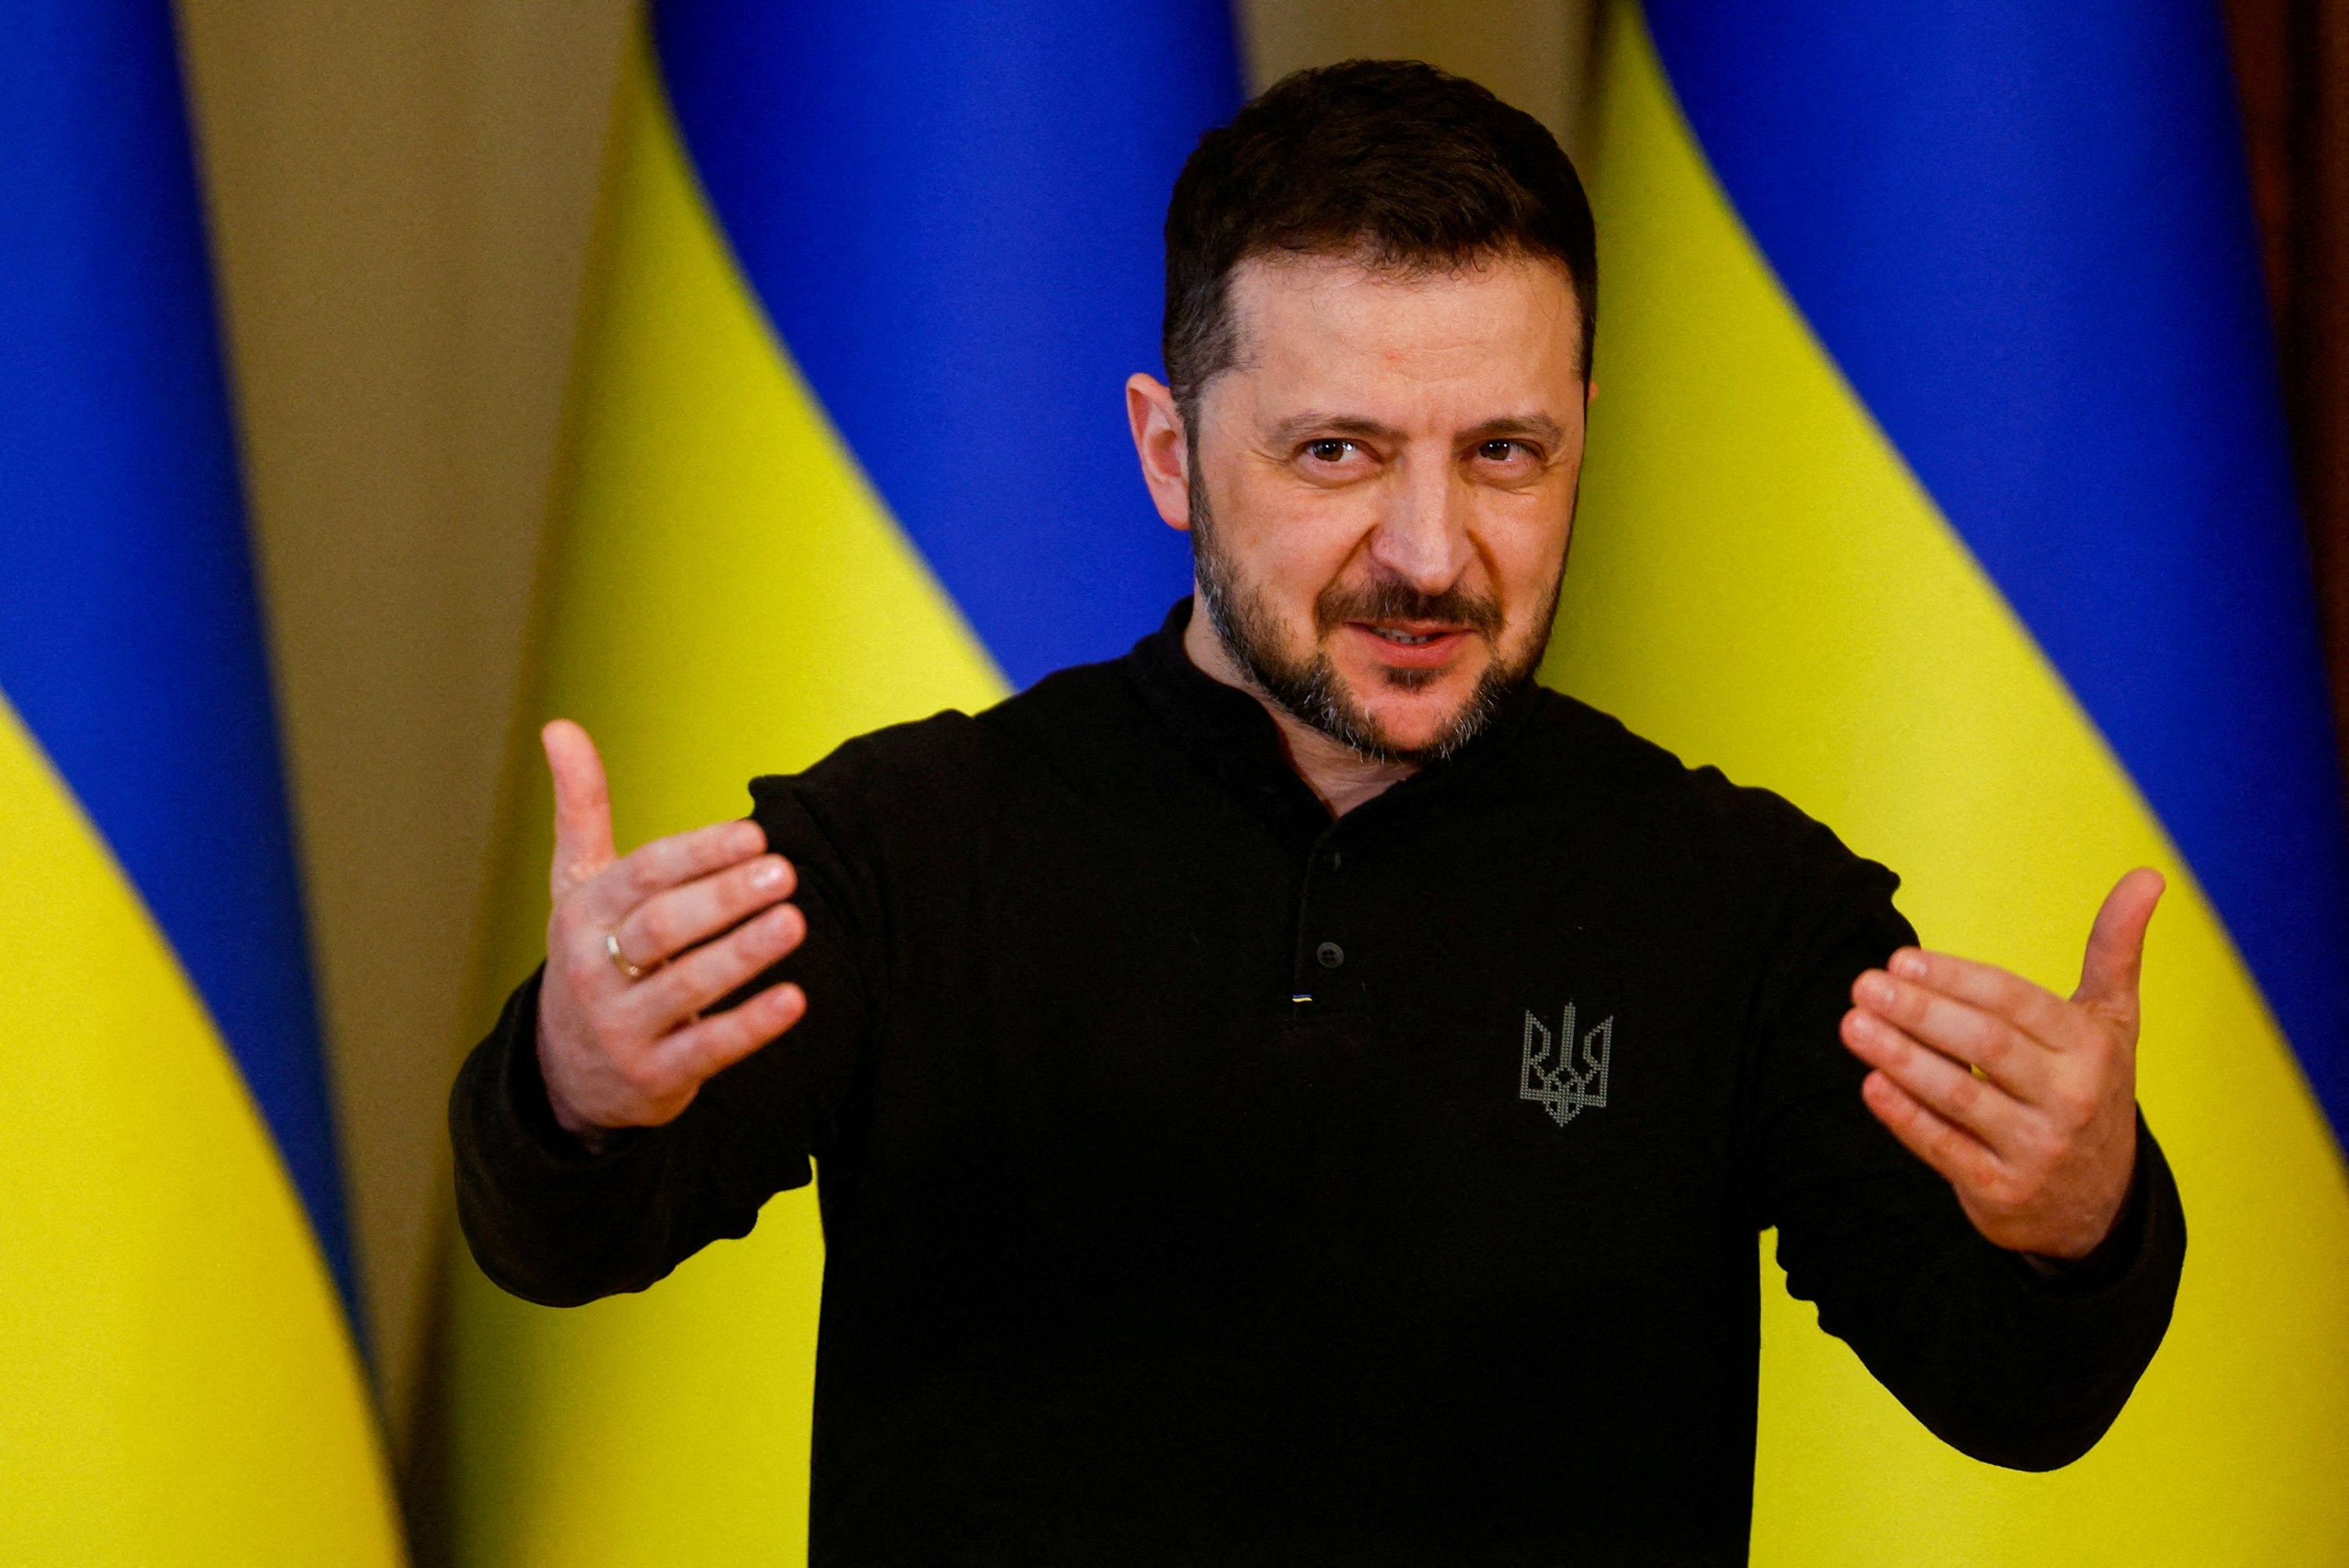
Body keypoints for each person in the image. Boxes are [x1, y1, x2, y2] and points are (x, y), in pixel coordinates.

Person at [452, 60, 2185, 1565]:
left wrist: (2081, 1221)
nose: (1430, 553)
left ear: (1583, 436)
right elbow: (563, 1242)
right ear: (1169, 452)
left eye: (1503, 454)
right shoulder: (909, 852)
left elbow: (2015, 1395)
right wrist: (575, 1091)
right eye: (1337, 453)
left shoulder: (1744, 910)